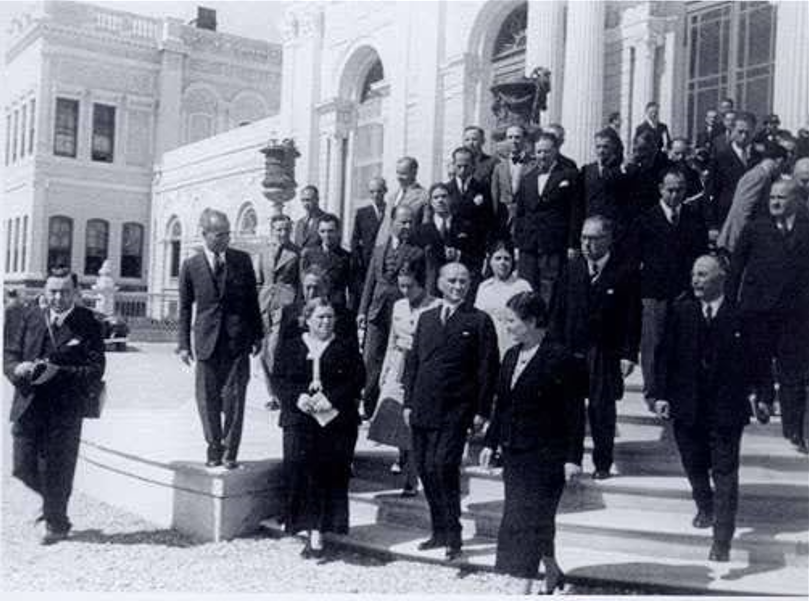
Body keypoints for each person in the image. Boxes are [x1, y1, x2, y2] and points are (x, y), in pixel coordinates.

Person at [653, 255, 767, 562]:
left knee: (726, 473)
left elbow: (759, 360)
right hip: (687, 406)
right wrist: (660, 395)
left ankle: (722, 541)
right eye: (693, 275)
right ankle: (705, 504)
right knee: (693, 463)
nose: (695, 280)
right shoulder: (681, 311)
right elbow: (663, 356)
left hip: (726, 409)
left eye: (703, 275)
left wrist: (764, 395)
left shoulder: (740, 315)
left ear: (721, 278)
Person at [479, 291, 581, 594]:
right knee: (530, 515)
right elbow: (503, 405)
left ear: (533, 321)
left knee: (528, 518)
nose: (507, 326)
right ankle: (551, 570)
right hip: (515, 451)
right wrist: (490, 442)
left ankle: (522, 582)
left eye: (512, 321)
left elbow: (574, 412)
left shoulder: (560, 358)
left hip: (547, 455)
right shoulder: (511, 355)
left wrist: (573, 458)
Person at [403, 262, 499, 560]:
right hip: (422, 405)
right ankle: (439, 531)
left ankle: (454, 535)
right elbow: (413, 363)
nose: (459, 286)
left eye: (464, 281)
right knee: (426, 468)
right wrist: (407, 402)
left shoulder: (479, 321)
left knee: (444, 465)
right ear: (440, 283)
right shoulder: (427, 318)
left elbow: (488, 369)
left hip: (457, 408)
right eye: (453, 281)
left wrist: (482, 411)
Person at [4, 267, 105, 545]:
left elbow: (95, 370)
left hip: (66, 408)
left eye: (65, 292)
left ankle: (56, 522)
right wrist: (18, 369)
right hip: (29, 403)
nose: (58, 298)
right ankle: (50, 508)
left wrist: (58, 372)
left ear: (75, 292)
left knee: (59, 467)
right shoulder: (25, 316)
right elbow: (8, 357)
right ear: (44, 291)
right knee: (22, 465)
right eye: (53, 291)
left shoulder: (89, 323)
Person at [270, 297, 365, 558]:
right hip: (300, 420)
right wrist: (295, 398)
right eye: (320, 317)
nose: (325, 322)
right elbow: (279, 378)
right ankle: (306, 526)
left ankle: (318, 532)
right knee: (301, 471)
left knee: (327, 474)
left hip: (335, 422)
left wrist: (331, 398)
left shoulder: (345, 347)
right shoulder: (291, 346)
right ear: (307, 320)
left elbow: (358, 379)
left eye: (329, 317)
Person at [550, 216, 640, 479]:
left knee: (602, 407)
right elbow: (557, 311)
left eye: (594, 239)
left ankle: (602, 462)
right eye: (583, 238)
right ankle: (572, 458)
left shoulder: (624, 272)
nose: (587, 244)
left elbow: (632, 317)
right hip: (572, 348)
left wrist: (628, 353)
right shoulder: (572, 269)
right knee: (571, 405)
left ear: (609, 239)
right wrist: (555, 347)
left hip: (604, 350)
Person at [178, 209, 263, 469]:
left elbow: (252, 301)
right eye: (219, 234)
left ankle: (230, 452)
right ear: (204, 235)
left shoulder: (242, 260)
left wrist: (258, 334)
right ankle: (213, 446)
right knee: (207, 398)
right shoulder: (190, 266)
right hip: (206, 341)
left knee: (235, 398)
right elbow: (184, 307)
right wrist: (182, 344)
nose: (225, 239)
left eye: (228, 233)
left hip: (238, 341)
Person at [729, 179, 809, 453]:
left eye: (782, 197)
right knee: (759, 361)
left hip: (796, 314)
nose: (775, 202)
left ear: (797, 200)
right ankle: (763, 399)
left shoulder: (806, 230)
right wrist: (730, 304)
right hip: (757, 311)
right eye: (772, 197)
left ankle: (794, 430)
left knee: (794, 372)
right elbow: (736, 268)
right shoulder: (755, 228)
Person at [631, 169, 709, 410]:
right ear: (661, 189)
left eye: (680, 190)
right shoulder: (645, 219)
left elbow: (700, 256)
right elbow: (634, 259)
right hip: (653, 293)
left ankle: (675, 390)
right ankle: (653, 393)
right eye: (670, 190)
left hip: (685, 293)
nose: (675, 195)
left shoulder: (694, 219)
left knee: (683, 343)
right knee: (653, 345)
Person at [368, 261, 439, 496]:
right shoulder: (398, 305)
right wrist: (386, 370)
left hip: (421, 368)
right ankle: (404, 458)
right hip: (398, 365)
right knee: (394, 414)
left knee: (414, 420)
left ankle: (412, 477)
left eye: (410, 286)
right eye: (401, 286)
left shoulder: (435, 306)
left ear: (421, 285)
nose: (405, 291)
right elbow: (391, 339)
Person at [358, 206, 425, 420]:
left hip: (402, 310)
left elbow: (424, 285)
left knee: (398, 360)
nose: (406, 226)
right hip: (376, 311)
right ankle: (368, 408)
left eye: (410, 222)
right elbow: (370, 282)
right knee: (370, 358)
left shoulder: (417, 252)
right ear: (393, 222)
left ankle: (389, 411)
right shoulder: (379, 249)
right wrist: (362, 310)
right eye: (403, 222)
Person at [514, 132, 581, 305]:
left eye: (546, 152)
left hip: (554, 243)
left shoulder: (569, 175)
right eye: (539, 152)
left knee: (550, 288)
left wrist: (573, 243)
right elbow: (520, 214)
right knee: (526, 288)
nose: (542, 156)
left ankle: (549, 328)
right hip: (529, 244)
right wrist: (518, 242)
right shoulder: (527, 179)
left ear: (556, 151)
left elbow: (575, 212)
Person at [255, 215, 301, 410]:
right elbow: (258, 282)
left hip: (285, 306)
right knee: (264, 353)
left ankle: (283, 393)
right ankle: (273, 395)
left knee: (276, 349)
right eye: (278, 230)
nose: (282, 233)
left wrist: (297, 307)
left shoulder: (297, 254)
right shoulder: (263, 253)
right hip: (264, 304)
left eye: (286, 230)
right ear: (272, 231)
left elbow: (300, 283)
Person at [717, 142, 790, 252]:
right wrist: (742, 243)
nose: (781, 171)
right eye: (783, 166)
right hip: (738, 242)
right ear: (779, 161)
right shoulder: (758, 177)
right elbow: (743, 211)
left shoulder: (760, 175)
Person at [445, 146, 496, 294]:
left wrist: (487, 248)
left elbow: (488, 220)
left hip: (474, 248)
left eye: (466, 166)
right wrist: (472, 204)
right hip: (452, 247)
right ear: (453, 165)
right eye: (458, 166)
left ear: (473, 166)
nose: (462, 170)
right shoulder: (446, 189)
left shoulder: (482, 188)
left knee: (471, 289)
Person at [474, 239, 533, 357]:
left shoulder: (522, 286)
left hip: (514, 347)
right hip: (488, 349)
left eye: (507, 258)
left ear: (512, 262)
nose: (502, 263)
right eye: (498, 258)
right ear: (490, 261)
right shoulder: (484, 288)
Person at [706, 113, 756, 232]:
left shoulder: (757, 158)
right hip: (727, 217)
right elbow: (711, 192)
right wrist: (712, 224)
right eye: (740, 132)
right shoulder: (721, 158)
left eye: (747, 133)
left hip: (752, 218)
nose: (744, 136)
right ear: (732, 130)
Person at [413, 182, 464, 295]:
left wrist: (459, 254)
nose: (440, 200)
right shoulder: (421, 231)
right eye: (436, 197)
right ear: (431, 202)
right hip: (431, 288)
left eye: (444, 196)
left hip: (457, 286)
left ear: (450, 199)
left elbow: (475, 256)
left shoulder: (463, 226)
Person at [580, 129, 631, 234]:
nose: (601, 151)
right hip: (591, 227)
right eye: (598, 147)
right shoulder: (587, 170)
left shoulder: (622, 170)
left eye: (605, 147)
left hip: (615, 228)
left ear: (613, 147)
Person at [300, 213, 353, 310]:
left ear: (338, 232)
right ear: (318, 232)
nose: (326, 235)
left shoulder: (347, 257)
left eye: (330, 231)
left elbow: (352, 289)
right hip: (315, 306)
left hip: (337, 307)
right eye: (322, 231)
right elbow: (303, 284)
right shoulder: (309, 255)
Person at [490, 124, 533, 234]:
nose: (514, 141)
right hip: (503, 218)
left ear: (525, 140)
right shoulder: (499, 167)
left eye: (517, 137)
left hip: (526, 217)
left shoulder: (534, 164)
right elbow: (495, 195)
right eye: (510, 137)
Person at [376, 157, 428, 244]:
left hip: (409, 247)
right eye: (398, 173)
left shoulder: (424, 196)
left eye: (403, 173)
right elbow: (385, 226)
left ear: (414, 173)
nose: (399, 177)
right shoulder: (392, 198)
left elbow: (425, 229)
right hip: (387, 248)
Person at [351, 176, 387, 302]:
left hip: (385, 260)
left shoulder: (391, 211)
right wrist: (357, 261)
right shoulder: (362, 213)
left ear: (385, 191)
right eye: (372, 192)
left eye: (379, 191)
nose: (376, 195)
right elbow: (355, 239)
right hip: (366, 262)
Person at [463, 125, 500, 190]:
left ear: (483, 141)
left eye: (474, 139)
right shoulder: (459, 164)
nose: (470, 143)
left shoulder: (493, 162)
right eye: (467, 140)